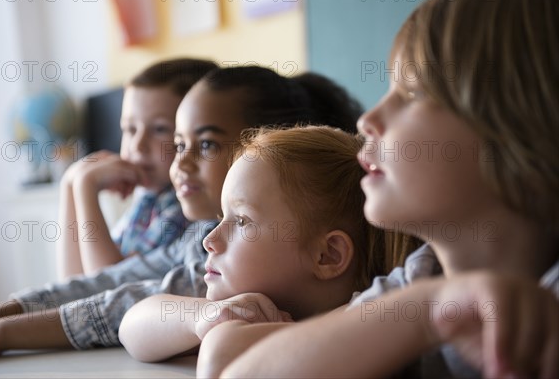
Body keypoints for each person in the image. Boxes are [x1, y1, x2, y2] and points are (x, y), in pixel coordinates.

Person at [216, 0, 559, 378]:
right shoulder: (422, 278)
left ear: (521, 130)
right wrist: (428, 311)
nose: (367, 120)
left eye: (413, 93)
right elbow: (235, 371)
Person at [0, 65, 361, 364]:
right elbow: (118, 293)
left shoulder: (261, 265)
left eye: (204, 144)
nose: (178, 162)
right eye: (179, 142)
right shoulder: (209, 241)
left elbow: (116, 302)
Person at [119, 126, 419, 363]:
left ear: (327, 255)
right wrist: (200, 317)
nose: (210, 240)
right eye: (222, 217)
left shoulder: (365, 319)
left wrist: (221, 329)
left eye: (242, 222)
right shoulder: (233, 295)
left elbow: (222, 353)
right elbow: (132, 325)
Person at [57, 58, 216, 278]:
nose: (138, 146)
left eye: (159, 129)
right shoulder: (148, 200)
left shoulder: (186, 210)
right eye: (130, 129)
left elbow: (104, 286)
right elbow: (73, 283)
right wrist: (70, 183)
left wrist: (86, 188)